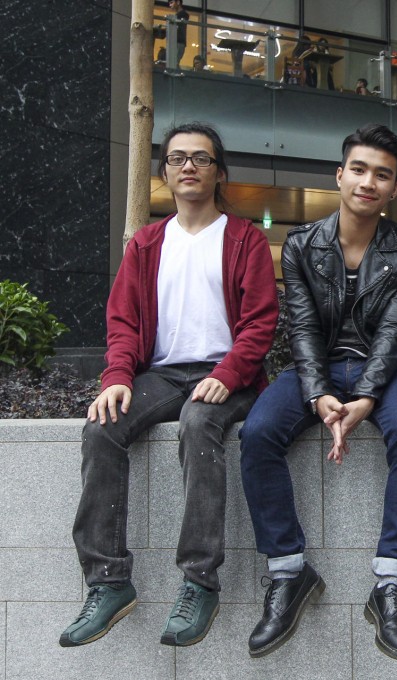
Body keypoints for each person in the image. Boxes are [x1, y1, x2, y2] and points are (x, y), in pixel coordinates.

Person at [60, 122, 279, 648]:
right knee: (101, 427)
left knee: (199, 424)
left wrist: (227, 375)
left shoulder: (245, 238)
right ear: (164, 173)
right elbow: (124, 323)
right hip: (161, 376)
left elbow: (260, 323)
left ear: (218, 172)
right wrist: (116, 378)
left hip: (231, 376)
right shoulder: (146, 243)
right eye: (178, 158)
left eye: (200, 159)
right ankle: (108, 581)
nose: (188, 166)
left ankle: (200, 580)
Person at [238, 124, 397, 662]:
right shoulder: (302, 244)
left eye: (383, 175)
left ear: (395, 189)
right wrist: (318, 393)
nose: (368, 182)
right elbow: (300, 328)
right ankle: (288, 572)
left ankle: (391, 586)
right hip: (317, 368)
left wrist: (367, 397)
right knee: (256, 433)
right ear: (340, 173)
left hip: (386, 370)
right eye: (360, 169)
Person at [168, 0, 189, 69]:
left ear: (178, 2)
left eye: (171, 2)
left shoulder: (183, 14)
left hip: (179, 42)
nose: (170, 5)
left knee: (174, 63)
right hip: (178, 42)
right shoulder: (179, 15)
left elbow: (178, 28)